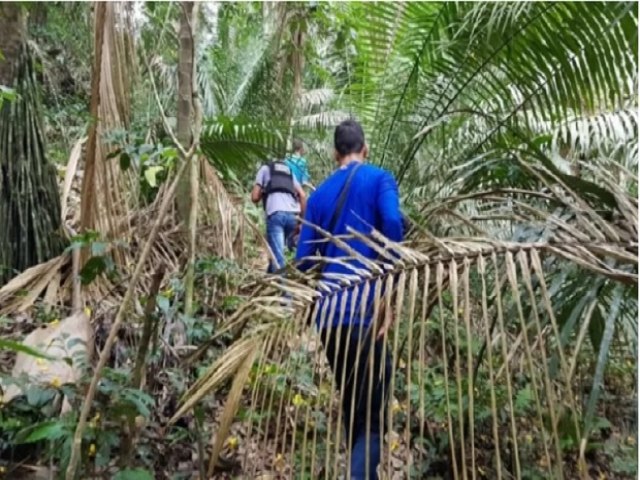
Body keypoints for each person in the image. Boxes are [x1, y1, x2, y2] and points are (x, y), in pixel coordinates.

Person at [295, 119, 404, 479]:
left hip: (329, 315)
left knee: (355, 399)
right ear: (365, 148)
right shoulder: (379, 179)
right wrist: (387, 281)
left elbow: (305, 261)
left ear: (334, 154)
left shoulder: (320, 195)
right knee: (373, 411)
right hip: (364, 308)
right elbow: (391, 221)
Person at [252, 158, 306, 273]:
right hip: (293, 216)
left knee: (278, 259)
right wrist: (301, 221)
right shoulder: (289, 172)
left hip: (276, 215)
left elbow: (254, 197)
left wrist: (266, 191)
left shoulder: (265, 169)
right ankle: (271, 281)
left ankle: (284, 290)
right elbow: (302, 194)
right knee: (281, 253)